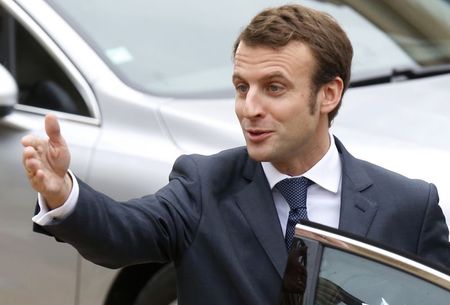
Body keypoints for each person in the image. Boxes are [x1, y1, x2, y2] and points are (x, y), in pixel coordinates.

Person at [21, 4, 450, 305]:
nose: (249, 107)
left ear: (328, 94)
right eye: (243, 87)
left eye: (274, 88)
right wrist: (64, 193)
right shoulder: (204, 183)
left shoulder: (409, 206)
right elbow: (121, 233)